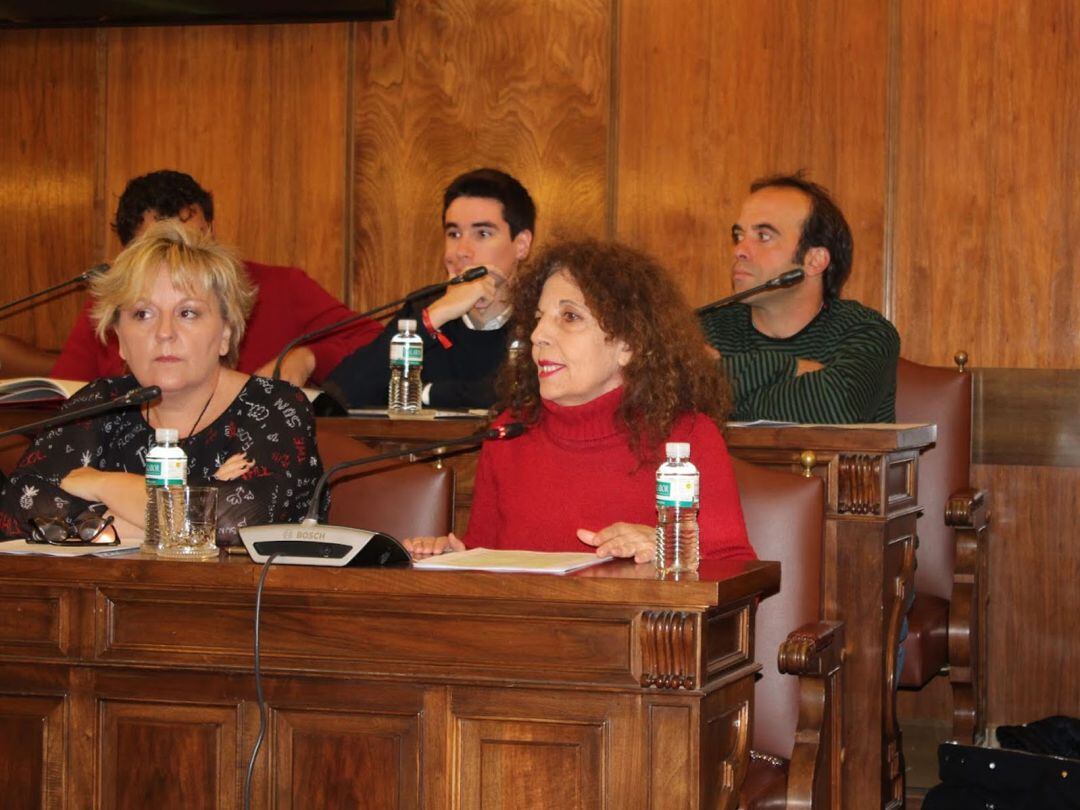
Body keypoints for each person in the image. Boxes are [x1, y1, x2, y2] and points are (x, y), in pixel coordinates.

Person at [406, 239, 754, 564]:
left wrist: (666, 548)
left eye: (569, 317)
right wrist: (456, 558)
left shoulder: (687, 438)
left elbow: (737, 574)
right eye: (539, 319)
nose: (538, 335)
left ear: (628, 345)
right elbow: (490, 561)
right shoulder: (509, 434)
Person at [0, 221, 323, 546]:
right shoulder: (100, 404)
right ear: (120, 339)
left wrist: (100, 484)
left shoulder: (275, 407)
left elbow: (235, 521)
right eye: (143, 314)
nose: (164, 332)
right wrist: (196, 496)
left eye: (188, 313)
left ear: (226, 332)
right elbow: (20, 505)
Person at [50, 169, 382, 388]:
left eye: (195, 241)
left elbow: (379, 344)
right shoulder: (113, 299)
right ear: (129, 256)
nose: (184, 260)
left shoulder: (280, 287)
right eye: (161, 250)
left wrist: (309, 357)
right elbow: (66, 395)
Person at [324, 168, 535, 409]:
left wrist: (425, 393)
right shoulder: (426, 310)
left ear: (521, 245)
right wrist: (435, 317)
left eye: (482, 233)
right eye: (454, 233)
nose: (461, 251)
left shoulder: (542, 318)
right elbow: (337, 398)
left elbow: (520, 395)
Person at [699, 173, 900, 423]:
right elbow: (667, 406)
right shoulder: (704, 330)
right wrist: (795, 368)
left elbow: (835, 408)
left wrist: (721, 384)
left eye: (763, 236)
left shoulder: (866, 331)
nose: (739, 250)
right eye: (739, 236)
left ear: (814, 260)